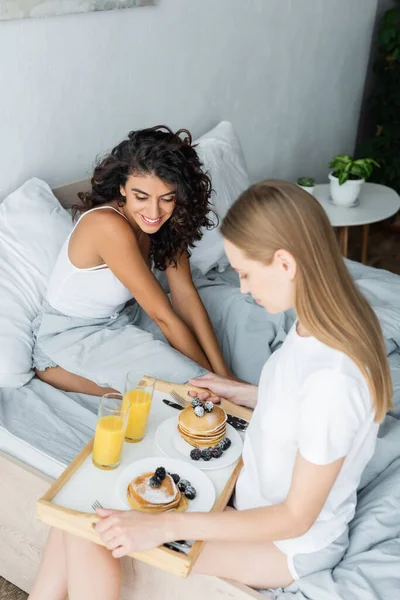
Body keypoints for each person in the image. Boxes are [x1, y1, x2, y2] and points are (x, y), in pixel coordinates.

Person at [28, 180, 392, 599]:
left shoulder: (334, 379)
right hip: (256, 507)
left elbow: (295, 519)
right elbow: (299, 401)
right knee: (75, 516)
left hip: (286, 547)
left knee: (90, 529)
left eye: (246, 273)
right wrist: (245, 393)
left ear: (285, 263)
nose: (243, 289)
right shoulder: (316, 327)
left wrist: (166, 526)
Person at [32, 125, 232, 395]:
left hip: (125, 320)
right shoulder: (107, 226)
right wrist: (213, 382)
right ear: (122, 188)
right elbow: (164, 316)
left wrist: (224, 376)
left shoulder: (168, 220)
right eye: (141, 196)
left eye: (167, 198)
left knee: (228, 331)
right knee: (189, 387)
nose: (153, 211)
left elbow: (184, 294)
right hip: (69, 342)